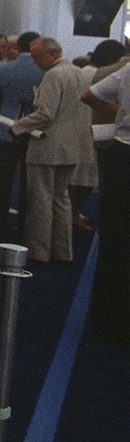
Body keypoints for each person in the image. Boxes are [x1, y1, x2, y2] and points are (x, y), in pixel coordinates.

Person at [11, 38, 94, 265]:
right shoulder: (80, 73)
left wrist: (17, 127)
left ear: (53, 54)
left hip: (47, 146)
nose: (35, 62)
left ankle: (38, 251)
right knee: (61, 199)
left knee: (41, 199)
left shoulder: (54, 76)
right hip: (71, 147)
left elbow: (45, 113)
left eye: (37, 57)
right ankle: (62, 251)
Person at [83, 62, 130, 344]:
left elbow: (89, 95)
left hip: (122, 155)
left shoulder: (126, 71)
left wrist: (120, 113)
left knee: (114, 236)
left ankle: (105, 315)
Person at [0, 31, 43, 238]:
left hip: (5, 130)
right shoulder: (45, 71)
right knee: (29, 183)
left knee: (2, 180)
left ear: (17, 46)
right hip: (35, 133)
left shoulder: (4, 70)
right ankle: (24, 226)